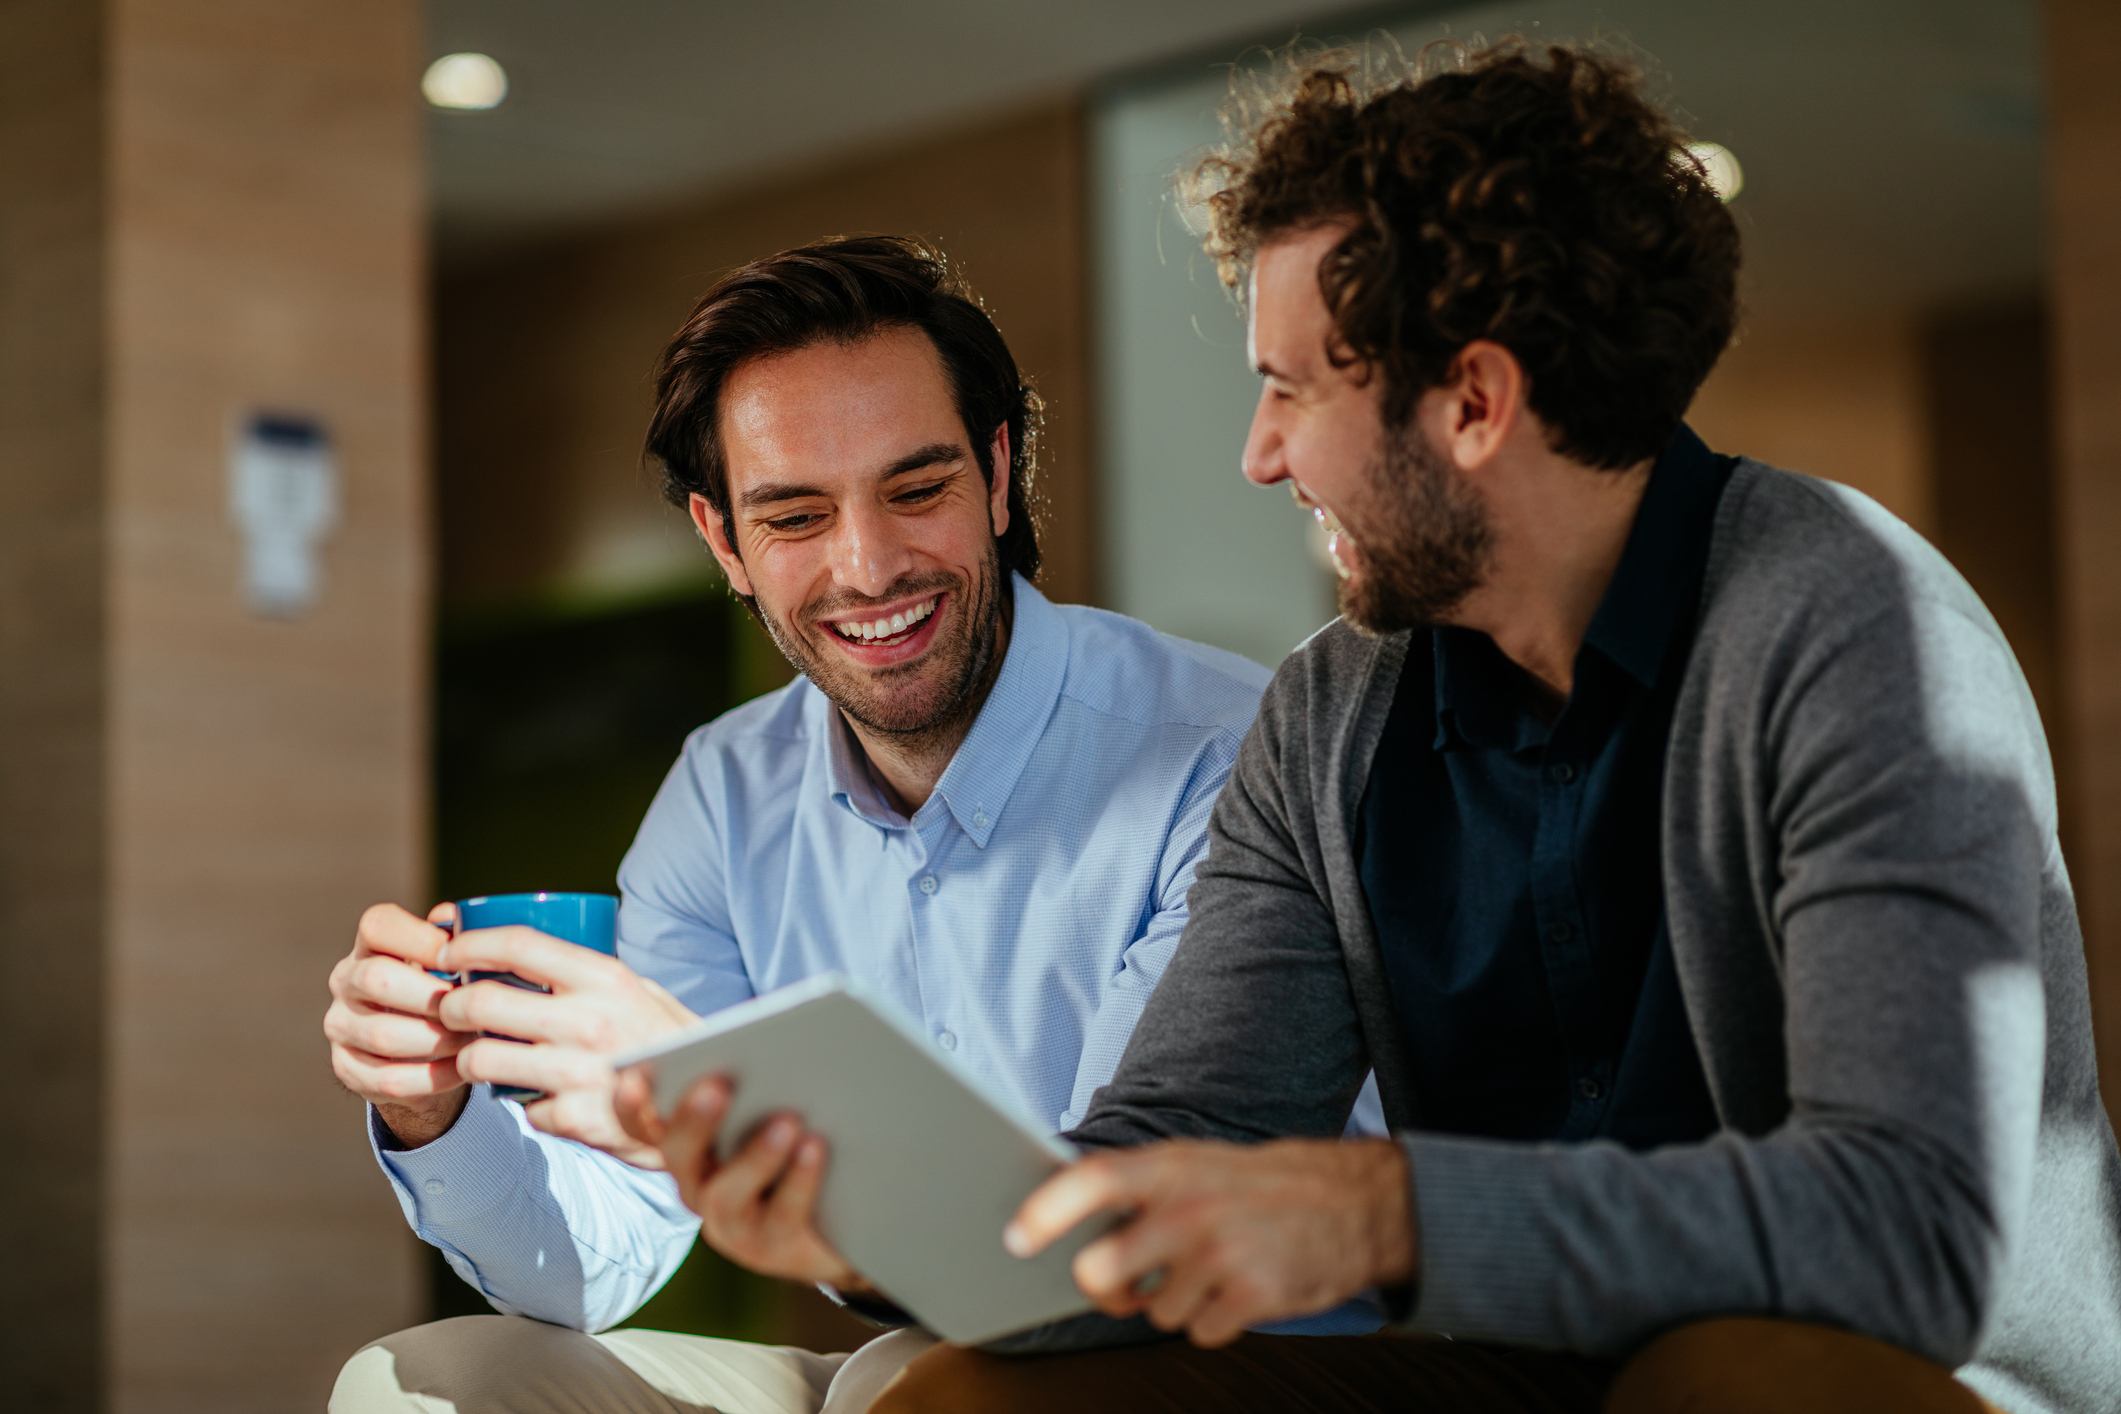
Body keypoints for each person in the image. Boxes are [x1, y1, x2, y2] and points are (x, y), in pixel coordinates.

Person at [871, 41, 2121, 1414]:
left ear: (1472, 400)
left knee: (1727, 1382)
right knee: (961, 1397)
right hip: (1527, 1368)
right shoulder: (1326, 714)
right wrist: (874, 1216)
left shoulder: (1860, 632)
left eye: (1293, 387)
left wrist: (1384, 1211)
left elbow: (1910, 1226)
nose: (1261, 452)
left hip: (1896, 1365)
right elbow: (1191, 1135)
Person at [327, 236, 1377, 1413]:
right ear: (723, 540)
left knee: (904, 1380)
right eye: (793, 516)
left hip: (1219, 1357)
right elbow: (602, 1255)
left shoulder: (1228, 755)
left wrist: (706, 1080)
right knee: (428, 1380)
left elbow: (1113, 1243)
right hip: (908, 1360)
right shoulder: (725, 797)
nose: (868, 566)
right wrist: (438, 1114)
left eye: (917, 489)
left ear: (996, 473)